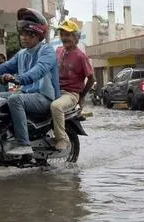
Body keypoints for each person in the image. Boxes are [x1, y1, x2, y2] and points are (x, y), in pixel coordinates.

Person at [0, 7, 59, 156]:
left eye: (28, 34)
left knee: (15, 99)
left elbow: (39, 69)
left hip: (44, 97)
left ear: (38, 35)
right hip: (27, 94)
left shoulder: (46, 51)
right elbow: (5, 66)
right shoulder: (22, 54)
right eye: (22, 33)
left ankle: (24, 144)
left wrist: (18, 78)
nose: (24, 37)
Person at [50, 19, 94, 150]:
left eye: (67, 35)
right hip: (55, 90)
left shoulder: (81, 56)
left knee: (56, 106)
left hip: (70, 94)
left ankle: (61, 139)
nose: (64, 38)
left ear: (75, 37)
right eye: (62, 34)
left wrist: (81, 96)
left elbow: (91, 79)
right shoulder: (58, 51)